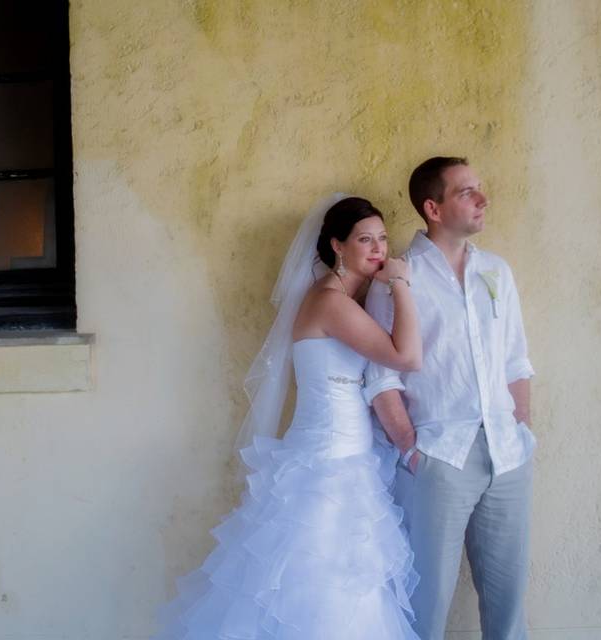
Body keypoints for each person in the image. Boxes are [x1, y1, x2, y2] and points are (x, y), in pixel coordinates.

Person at [155, 195, 422, 639]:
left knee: (349, 588)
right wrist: (401, 284)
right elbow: (407, 356)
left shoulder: (343, 299)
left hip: (349, 464)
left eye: (382, 238)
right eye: (364, 239)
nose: (378, 249)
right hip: (327, 467)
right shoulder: (331, 302)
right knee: (318, 591)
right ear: (338, 245)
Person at [365, 157, 536, 640]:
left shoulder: (497, 271)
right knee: (427, 601)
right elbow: (381, 377)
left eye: (479, 189)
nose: (482, 199)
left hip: (507, 455)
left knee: (508, 604)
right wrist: (411, 450)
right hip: (439, 457)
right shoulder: (399, 276)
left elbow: (516, 361)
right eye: (466, 192)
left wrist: (521, 429)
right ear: (433, 208)